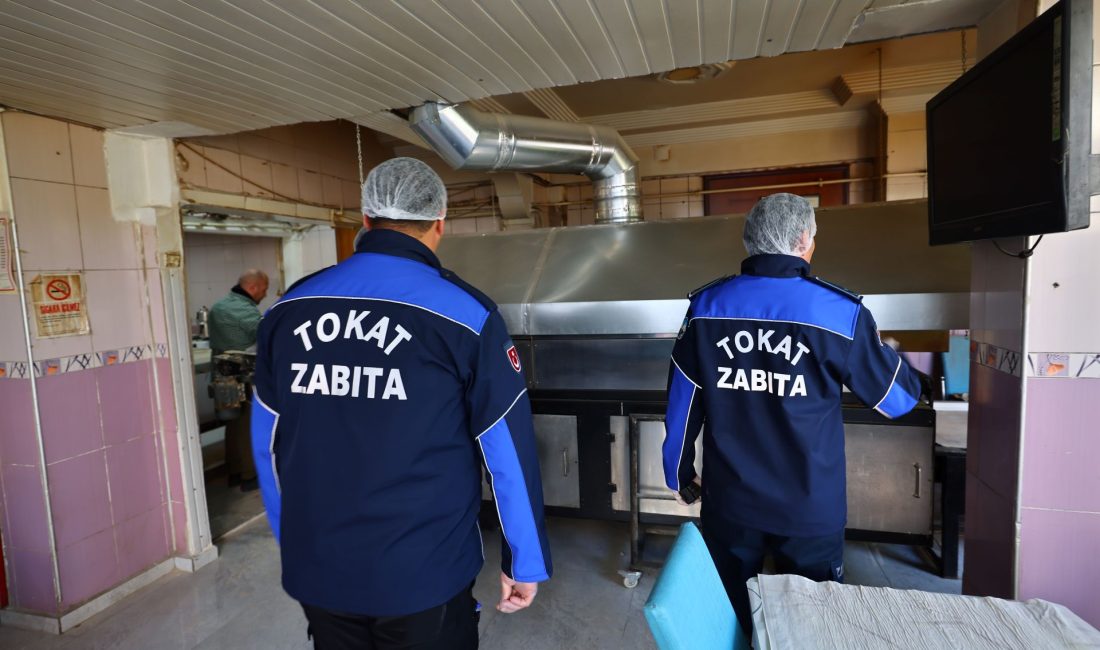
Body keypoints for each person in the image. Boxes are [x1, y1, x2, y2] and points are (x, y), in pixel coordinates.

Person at [251, 158, 551, 650]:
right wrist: (524, 561)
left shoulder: (287, 310)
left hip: (321, 568)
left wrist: (297, 546)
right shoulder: (466, 314)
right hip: (423, 572)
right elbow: (507, 453)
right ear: (440, 222)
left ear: (365, 220)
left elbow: (267, 444)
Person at [661, 193, 926, 639]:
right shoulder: (839, 313)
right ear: (804, 239)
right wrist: (892, 356)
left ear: (752, 241)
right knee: (811, 630)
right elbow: (896, 399)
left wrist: (679, 476)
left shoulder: (706, 308)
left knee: (729, 623)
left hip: (732, 505)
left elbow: (682, 405)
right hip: (808, 508)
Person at [208, 268, 269, 491]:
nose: (264, 294)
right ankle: (249, 476)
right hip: (242, 374)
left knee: (231, 422)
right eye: (264, 289)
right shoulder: (244, 310)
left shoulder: (220, 305)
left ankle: (234, 472)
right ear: (252, 287)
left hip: (221, 373)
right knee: (246, 424)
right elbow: (265, 333)